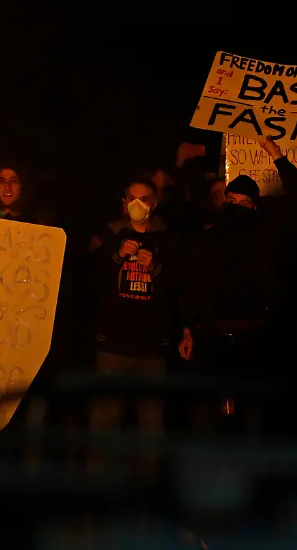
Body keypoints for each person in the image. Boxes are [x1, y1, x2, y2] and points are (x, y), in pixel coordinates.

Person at [185, 136, 297, 431]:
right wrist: (188, 327)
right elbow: (194, 283)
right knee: (207, 412)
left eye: (244, 203)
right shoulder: (207, 239)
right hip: (213, 338)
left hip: (253, 337)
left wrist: (276, 155)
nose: (236, 207)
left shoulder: (265, 236)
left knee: (253, 411)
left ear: (254, 207)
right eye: (231, 201)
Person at [89, 177, 192, 472]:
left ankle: (146, 492)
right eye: (131, 198)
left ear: (154, 204)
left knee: (150, 428)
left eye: (144, 199)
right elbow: (91, 280)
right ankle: (99, 489)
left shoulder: (169, 241)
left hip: (152, 349)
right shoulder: (109, 236)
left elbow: (179, 288)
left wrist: (155, 268)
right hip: (113, 346)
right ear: (124, 202)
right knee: (104, 426)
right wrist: (116, 256)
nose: (137, 205)